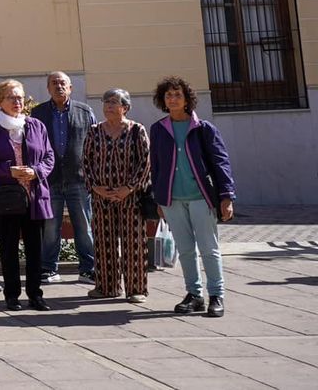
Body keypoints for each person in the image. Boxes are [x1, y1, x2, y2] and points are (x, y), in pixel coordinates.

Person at [150, 75, 234, 318]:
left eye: (177, 94)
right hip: (173, 199)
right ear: (163, 100)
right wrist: (159, 198)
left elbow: (221, 163)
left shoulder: (204, 129)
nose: (172, 99)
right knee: (185, 250)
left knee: (209, 249)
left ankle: (216, 295)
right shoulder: (158, 129)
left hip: (201, 197)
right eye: (168, 95)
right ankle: (194, 295)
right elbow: (155, 166)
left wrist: (226, 196)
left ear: (187, 99)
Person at [0, 79, 55, 312]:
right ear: (0, 101)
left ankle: (36, 295)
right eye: (11, 97)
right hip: (7, 196)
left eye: (20, 97)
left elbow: (49, 157)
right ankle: (12, 295)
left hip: (35, 196)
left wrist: (36, 171)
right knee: (9, 248)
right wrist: (7, 170)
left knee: (35, 248)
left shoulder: (36, 126)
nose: (17, 102)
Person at [84, 88, 150, 302]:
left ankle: (136, 289)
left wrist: (128, 188)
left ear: (125, 107)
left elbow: (145, 163)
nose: (108, 106)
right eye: (106, 102)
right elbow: (86, 161)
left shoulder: (136, 130)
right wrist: (96, 187)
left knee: (134, 243)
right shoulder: (94, 131)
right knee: (104, 242)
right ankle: (106, 287)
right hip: (101, 195)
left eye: (113, 102)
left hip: (130, 196)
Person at [31, 71, 96, 285]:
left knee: (84, 227)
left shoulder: (84, 112)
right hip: (49, 180)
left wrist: (92, 175)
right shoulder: (37, 113)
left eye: (62, 83)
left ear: (70, 88)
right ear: (48, 88)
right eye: (54, 83)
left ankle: (88, 269)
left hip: (79, 179)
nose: (58, 87)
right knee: (50, 227)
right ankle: (49, 268)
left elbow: (94, 146)